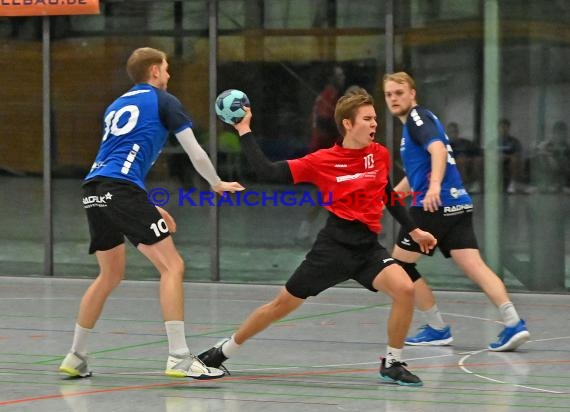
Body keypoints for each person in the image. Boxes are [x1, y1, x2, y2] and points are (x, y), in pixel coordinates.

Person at [198, 88, 438, 387]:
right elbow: (268, 171)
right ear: (348, 124)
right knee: (280, 306)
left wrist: (414, 230)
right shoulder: (323, 161)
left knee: (405, 289)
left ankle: (392, 362)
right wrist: (244, 129)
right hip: (333, 248)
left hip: (366, 248)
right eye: (367, 119)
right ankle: (223, 351)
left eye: (375, 118)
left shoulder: (379, 155)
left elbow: (388, 195)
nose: (374, 124)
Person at [58, 47, 244, 380]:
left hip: (94, 189)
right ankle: (179, 357)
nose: (169, 76)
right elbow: (195, 152)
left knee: (109, 275)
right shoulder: (163, 101)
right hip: (120, 189)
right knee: (173, 266)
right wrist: (216, 183)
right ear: (155, 71)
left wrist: (149, 205)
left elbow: (117, 164)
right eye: (167, 69)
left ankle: (75, 356)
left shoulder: (116, 105)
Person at [382, 72, 530, 351]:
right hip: (458, 203)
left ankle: (437, 328)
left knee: (399, 266)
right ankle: (514, 323)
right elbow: (417, 172)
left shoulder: (416, 119)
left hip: (432, 206)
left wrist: (434, 186)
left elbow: (437, 150)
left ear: (412, 93)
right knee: (475, 266)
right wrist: (390, 197)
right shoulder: (422, 121)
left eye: (399, 93)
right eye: (389, 94)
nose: (393, 99)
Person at [296, 65, 346, 242]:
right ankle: (308, 228)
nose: (342, 78)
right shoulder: (328, 96)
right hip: (324, 150)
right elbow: (324, 123)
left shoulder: (333, 97)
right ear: (331, 78)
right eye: (338, 75)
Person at [534, 121, 570, 193]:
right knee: (545, 157)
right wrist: (549, 155)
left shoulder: (567, 146)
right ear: (554, 133)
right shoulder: (546, 145)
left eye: (563, 133)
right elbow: (538, 151)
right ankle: (551, 184)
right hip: (551, 169)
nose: (560, 135)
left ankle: (559, 185)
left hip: (565, 170)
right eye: (558, 133)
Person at [446, 122, 483, 193]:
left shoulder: (465, 143)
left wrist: (469, 159)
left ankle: (475, 184)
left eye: (455, 131)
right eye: (451, 132)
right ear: (447, 133)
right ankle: (463, 184)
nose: (453, 134)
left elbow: (477, 152)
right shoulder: (445, 145)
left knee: (478, 160)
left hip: (469, 162)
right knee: (461, 161)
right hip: (455, 163)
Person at [498, 118, 525, 194]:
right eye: (501, 127)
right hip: (497, 161)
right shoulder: (494, 142)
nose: (503, 129)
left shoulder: (514, 141)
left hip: (510, 160)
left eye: (505, 127)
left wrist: (507, 156)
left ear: (509, 128)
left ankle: (512, 184)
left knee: (514, 159)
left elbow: (518, 153)